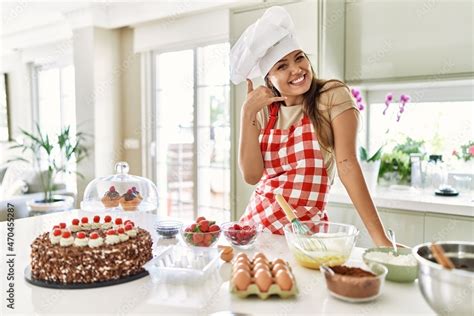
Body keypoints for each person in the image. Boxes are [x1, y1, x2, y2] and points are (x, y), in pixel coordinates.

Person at [230, 6, 394, 247]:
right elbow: (252, 176)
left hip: (303, 235)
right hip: (256, 230)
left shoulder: (332, 95)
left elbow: (347, 164)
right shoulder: (264, 111)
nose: (296, 69)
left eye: (299, 58)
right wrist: (247, 113)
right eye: (282, 66)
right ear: (269, 79)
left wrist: (381, 240)